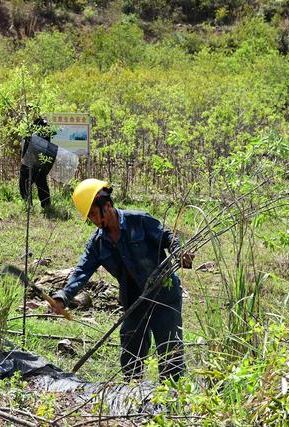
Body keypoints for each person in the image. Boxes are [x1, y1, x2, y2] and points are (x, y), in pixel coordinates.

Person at [51, 179, 193, 381]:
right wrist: (63, 297)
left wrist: (179, 253)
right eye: (88, 216)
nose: (92, 219)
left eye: (93, 213)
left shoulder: (140, 221)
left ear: (107, 206)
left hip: (164, 295)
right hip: (134, 301)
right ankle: (132, 394)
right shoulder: (98, 244)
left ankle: (172, 400)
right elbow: (82, 270)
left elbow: (169, 237)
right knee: (131, 352)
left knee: (170, 352)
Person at [19, 117, 54, 209]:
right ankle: (43, 205)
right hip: (36, 162)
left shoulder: (38, 131)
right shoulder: (37, 131)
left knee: (29, 182)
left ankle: (31, 204)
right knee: (37, 183)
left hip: (35, 162)